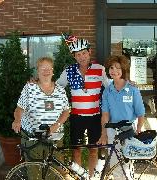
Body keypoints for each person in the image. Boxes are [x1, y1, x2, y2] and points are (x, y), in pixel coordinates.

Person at [57, 34, 109, 177]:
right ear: (74, 57)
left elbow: (111, 86)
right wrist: (37, 82)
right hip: (77, 117)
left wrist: (128, 83)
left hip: (95, 117)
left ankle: (92, 177)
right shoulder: (69, 71)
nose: (82, 57)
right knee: (77, 150)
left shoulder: (100, 69)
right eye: (78, 54)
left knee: (93, 150)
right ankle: (79, 176)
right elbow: (55, 87)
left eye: (84, 53)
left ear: (89, 52)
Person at [97, 55, 145, 179]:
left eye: (118, 68)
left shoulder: (133, 89)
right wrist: (104, 134)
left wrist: (139, 130)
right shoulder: (107, 91)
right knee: (114, 163)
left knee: (127, 164)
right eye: (112, 68)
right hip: (112, 130)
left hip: (128, 130)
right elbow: (105, 114)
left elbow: (140, 113)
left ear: (123, 70)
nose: (114, 71)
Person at [12, 57, 70, 160]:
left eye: (49, 68)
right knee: (35, 171)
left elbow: (66, 111)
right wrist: (17, 120)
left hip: (55, 138)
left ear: (52, 71)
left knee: (55, 172)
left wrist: (57, 125)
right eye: (43, 69)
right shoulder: (30, 88)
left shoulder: (60, 90)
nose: (46, 71)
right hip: (33, 139)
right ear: (38, 71)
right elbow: (20, 108)